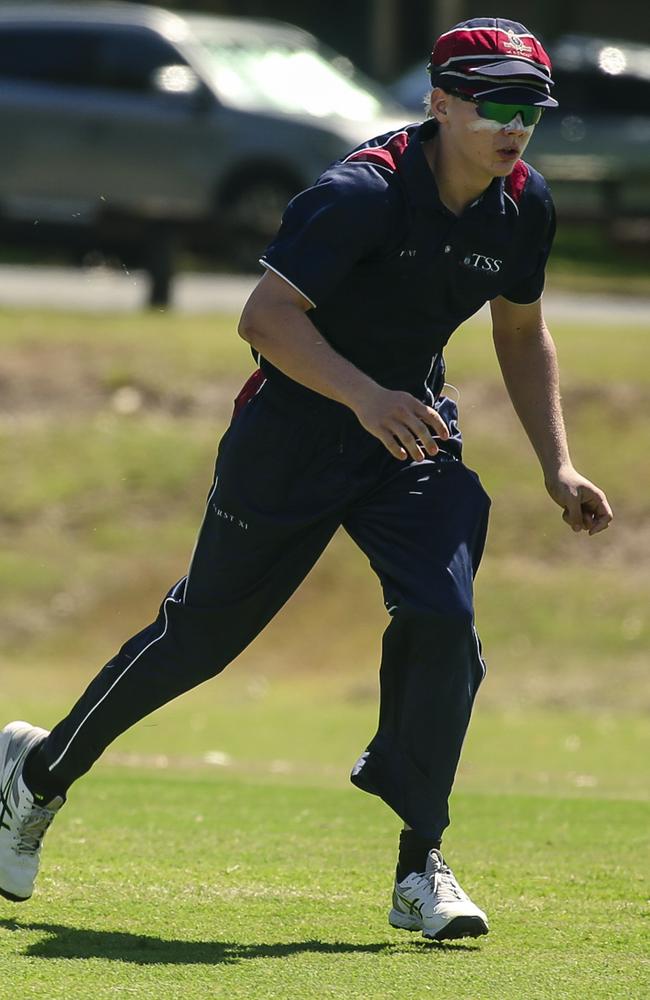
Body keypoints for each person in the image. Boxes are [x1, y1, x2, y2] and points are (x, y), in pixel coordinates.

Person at [0, 17, 612, 942]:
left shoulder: (522, 204)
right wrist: (365, 397)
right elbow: (265, 318)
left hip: (406, 439)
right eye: (493, 103)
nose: (513, 125)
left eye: (528, 107)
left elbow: (520, 332)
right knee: (199, 637)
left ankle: (421, 865)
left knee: (443, 621)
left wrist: (556, 462)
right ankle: (34, 781)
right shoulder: (359, 192)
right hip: (292, 435)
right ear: (440, 102)